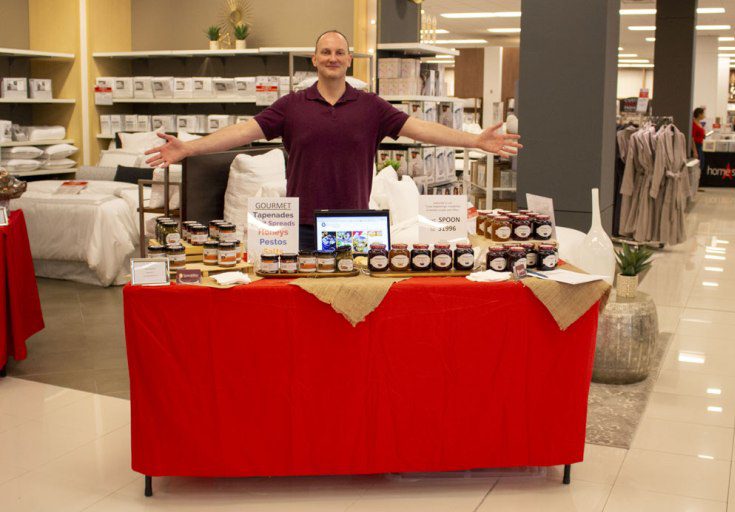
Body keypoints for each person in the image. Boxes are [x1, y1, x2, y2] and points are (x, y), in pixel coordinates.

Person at [145, 30, 523, 249]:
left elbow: (420, 128)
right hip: (303, 224)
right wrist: (188, 147)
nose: (332, 57)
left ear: (349, 60)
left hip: (356, 223)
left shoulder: (372, 106)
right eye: (325, 52)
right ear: (314, 59)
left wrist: (474, 141)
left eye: (339, 52)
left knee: (353, 310)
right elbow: (241, 133)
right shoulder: (291, 106)